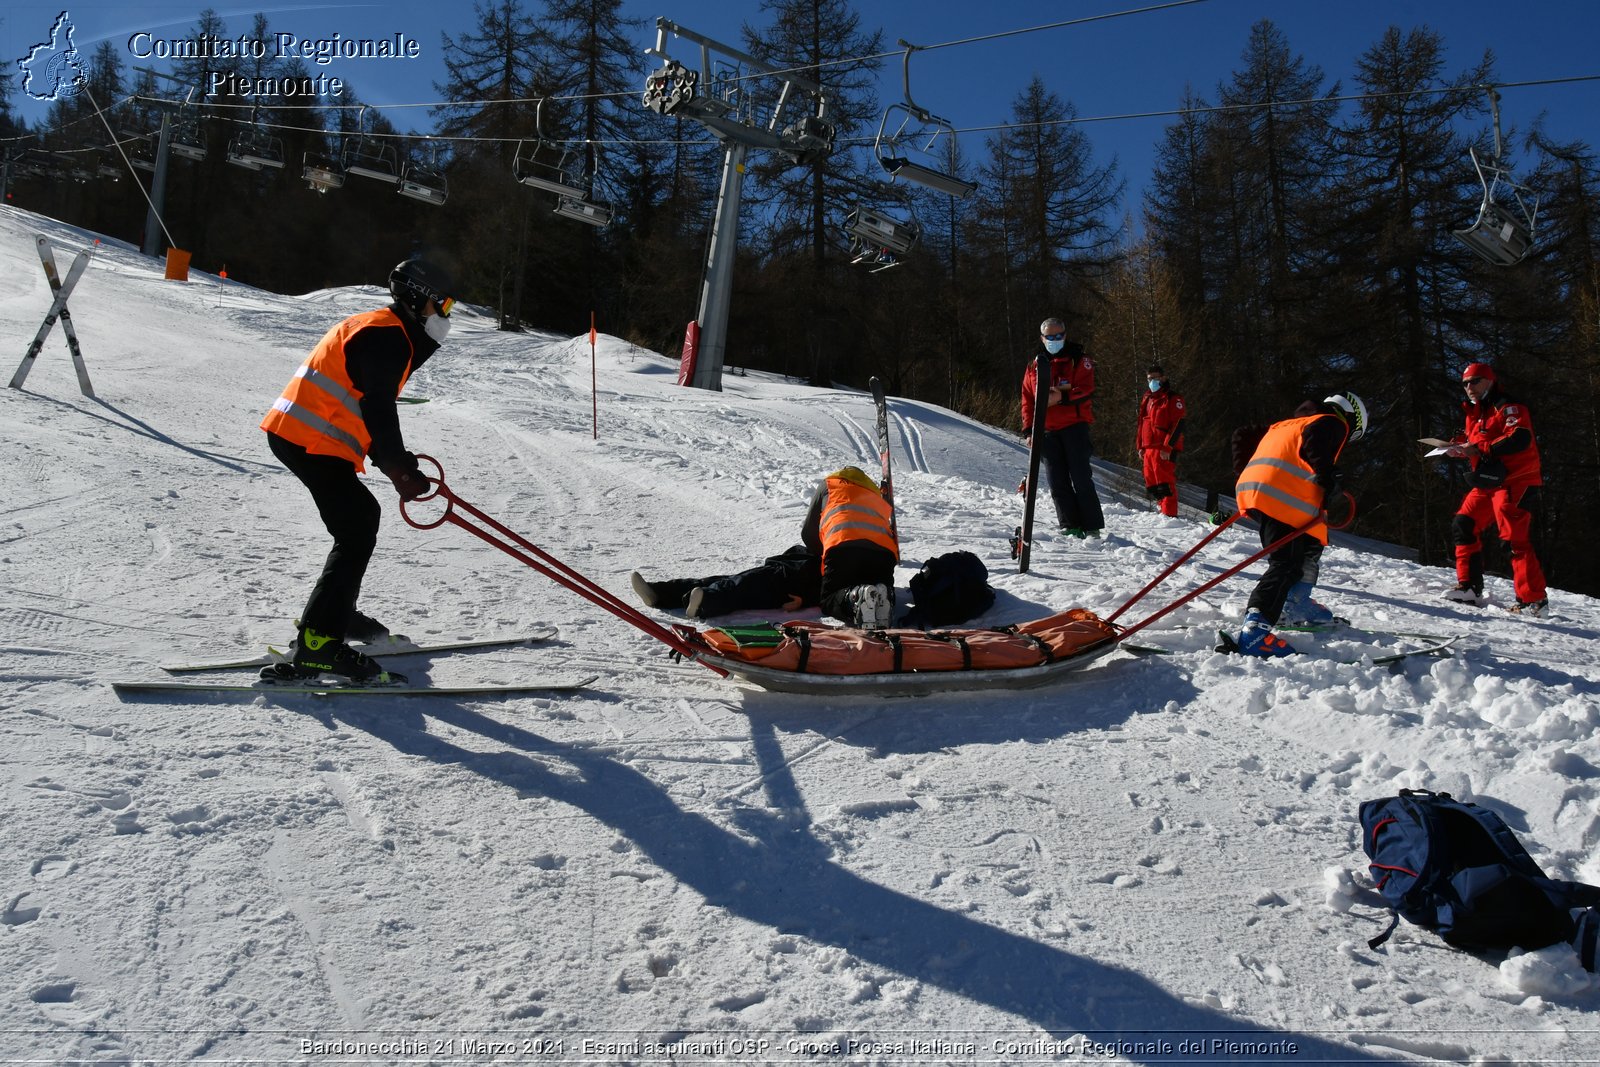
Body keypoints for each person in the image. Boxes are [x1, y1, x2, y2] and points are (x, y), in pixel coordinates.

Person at [259, 256, 457, 683]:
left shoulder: (385, 330)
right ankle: (318, 645)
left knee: (357, 522)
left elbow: (365, 396)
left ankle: (335, 617)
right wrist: (398, 467)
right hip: (310, 439)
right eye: (443, 304)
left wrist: (395, 462)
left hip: (303, 436)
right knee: (357, 525)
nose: (445, 315)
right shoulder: (388, 337)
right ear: (419, 298)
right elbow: (378, 406)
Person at [1230, 393, 1369, 656]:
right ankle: (1255, 631)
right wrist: (1329, 474)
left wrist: (1245, 471)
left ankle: (1294, 603)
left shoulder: (1285, 425)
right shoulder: (1332, 422)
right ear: (1351, 417)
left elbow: (1241, 434)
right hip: (1283, 497)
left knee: (1309, 546)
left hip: (1260, 493)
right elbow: (1315, 443)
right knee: (1286, 563)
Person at [1443, 362, 1547, 615]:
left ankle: (1533, 600)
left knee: (1513, 540)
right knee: (1463, 523)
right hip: (1488, 481)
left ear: (1490, 381)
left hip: (1515, 481)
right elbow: (1479, 442)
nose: (1469, 387)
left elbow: (1519, 438)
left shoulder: (1507, 406)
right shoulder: (1476, 413)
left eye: (1475, 381)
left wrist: (1478, 449)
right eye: (1465, 383)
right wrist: (1460, 447)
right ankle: (1469, 587)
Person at [1020, 319, 1104, 538]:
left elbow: (1086, 388)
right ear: (1042, 338)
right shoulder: (1034, 365)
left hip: (1074, 426)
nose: (1055, 341)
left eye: (1059, 336)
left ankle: (1091, 525)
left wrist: (1062, 397)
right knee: (1056, 480)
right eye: (1050, 337)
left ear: (1065, 335)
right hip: (1046, 430)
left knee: (1081, 476)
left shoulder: (1079, 359)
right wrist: (1029, 429)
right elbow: (1027, 399)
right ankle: (1069, 524)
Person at [631, 545, 821, 621]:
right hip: (788, 569)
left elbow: (839, 595)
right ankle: (659, 593)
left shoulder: (848, 562)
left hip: (793, 586)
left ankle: (704, 601)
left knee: (738, 589)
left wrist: (804, 601)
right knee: (728, 581)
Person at [1136, 363, 1186, 517]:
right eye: (1149, 379)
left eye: (1155, 378)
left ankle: (1170, 515)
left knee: (1165, 482)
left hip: (1164, 448)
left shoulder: (1172, 398)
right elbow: (1141, 423)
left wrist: (1168, 447)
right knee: (1153, 484)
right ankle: (1162, 512)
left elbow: (1178, 424)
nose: (1152, 382)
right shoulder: (1147, 398)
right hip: (1148, 447)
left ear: (1163, 378)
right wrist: (1140, 446)